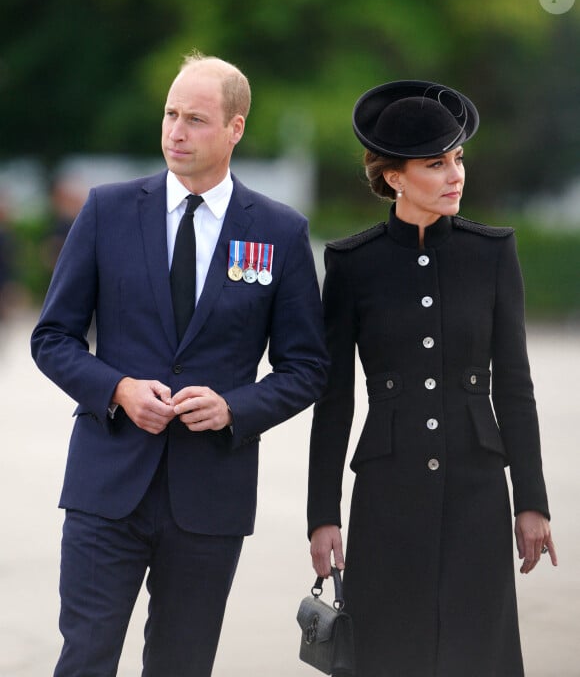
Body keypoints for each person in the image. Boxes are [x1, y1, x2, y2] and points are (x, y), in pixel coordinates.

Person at [31, 51, 328, 677]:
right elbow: (52, 337)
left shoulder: (279, 232)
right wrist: (116, 388)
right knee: (84, 659)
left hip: (209, 498)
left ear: (235, 129)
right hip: (105, 486)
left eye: (195, 118)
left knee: (181, 665)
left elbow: (306, 367)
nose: (175, 132)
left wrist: (233, 408)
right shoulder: (106, 211)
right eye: (170, 115)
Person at [307, 80, 557, 677]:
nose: (455, 175)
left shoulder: (493, 253)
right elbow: (334, 398)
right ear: (395, 177)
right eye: (436, 163)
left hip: (476, 486)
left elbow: (515, 386)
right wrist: (323, 514)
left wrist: (533, 502)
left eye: (458, 158)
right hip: (386, 492)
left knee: (477, 651)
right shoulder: (351, 264)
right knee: (388, 651)